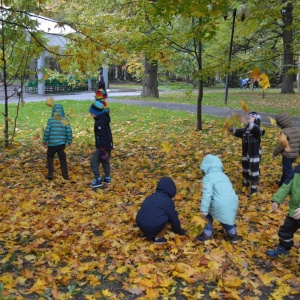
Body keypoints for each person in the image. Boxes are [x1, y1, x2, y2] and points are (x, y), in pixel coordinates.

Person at [196, 154, 239, 243]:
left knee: (208, 215)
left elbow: (207, 194)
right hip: (233, 201)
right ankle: (233, 234)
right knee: (224, 216)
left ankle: (206, 234)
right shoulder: (224, 176)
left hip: (220, 203)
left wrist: (203, 209)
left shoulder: (208, 178)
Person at [135, 177, 186, 244]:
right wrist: (179, 231)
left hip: (141, 224)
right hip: (154, 225)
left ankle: (146, 233)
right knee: (166, 218)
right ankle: (159, 238)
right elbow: (173, 218)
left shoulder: (150, 197)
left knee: (152, 214)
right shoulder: (168, 201)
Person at [266, 164, 300, 258]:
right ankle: (284, 248)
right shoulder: (297, 170)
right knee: (285, 231)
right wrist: (277, 199)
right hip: (294, 211)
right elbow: (287, 185)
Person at [229, 111, 265, 195]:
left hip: (254, 154)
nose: (248, 119)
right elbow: (238, 132)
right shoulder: (245, 130)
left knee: (254, 169)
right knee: (245, 166)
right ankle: (246, 180)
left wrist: (246, 122)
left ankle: (254, 186)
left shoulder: (257, 130)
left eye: (251, 118)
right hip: (246, 153)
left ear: (256, 121)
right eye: (247, 117)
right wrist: (231, 129)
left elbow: (252, 127)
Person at [42, 104, 72, 180]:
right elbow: (68, 131)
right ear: (62, 111)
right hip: (61, 144)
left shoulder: (51, 120)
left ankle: (50, 174)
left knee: (50, 157)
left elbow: (47, 131)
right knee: (62, 159)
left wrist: (44, 141)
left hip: (51, 144)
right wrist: (70, 141)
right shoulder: (65, 120)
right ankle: (65, 176)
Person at [89, 100, 113, 188]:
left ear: (96, 113)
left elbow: (102, 136)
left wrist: (102, 150)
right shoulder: (104, 119)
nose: (91, 114)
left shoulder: (100, 123)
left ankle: (98, 179)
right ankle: (107, 178)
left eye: (91, 113)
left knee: (94, 162)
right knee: (105, 161)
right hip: (108, 145)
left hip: (102, 147)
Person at [273, 112, 300, 187]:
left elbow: (282, 145)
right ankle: (282, 183)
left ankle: (288, 187)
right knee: (286, 170)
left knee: (288, 171)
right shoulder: (298, 130)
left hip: (287, 156)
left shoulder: (284, 133)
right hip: (295, 154)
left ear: (281, 124)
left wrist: (274, 153)